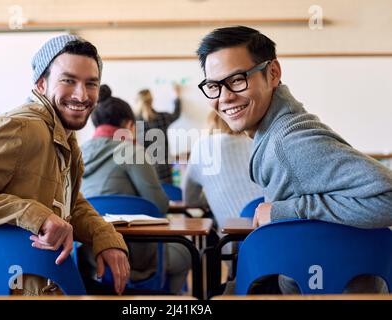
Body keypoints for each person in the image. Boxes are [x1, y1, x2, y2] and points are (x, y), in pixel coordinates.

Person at [196, 26, 392, 293]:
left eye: (238, 79)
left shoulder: (287, 142)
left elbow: (388, 197)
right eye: (213, 86)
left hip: (322, 289)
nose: (225, 96)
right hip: (314, 281)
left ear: (273, 73)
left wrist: (285, 211)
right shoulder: (278, 130)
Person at [0, 35, 130, 296]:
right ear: (41, 84)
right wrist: (32, 214)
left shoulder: (62, 135)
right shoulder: (25, 129)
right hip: (10, 289)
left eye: (91, 84)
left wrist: (103, 235)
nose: (82, 94)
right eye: (68, 80)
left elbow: (70, 203)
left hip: (43, 284)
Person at [80, 84, 191, 295]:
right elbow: (159, 205)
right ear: (129, 125)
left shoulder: (76, 153)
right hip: (133, 257)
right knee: (186, 251)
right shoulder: (132, 151)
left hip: (86, 257)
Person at [183, 111, 263, 231]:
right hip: (274, 229)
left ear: (210, 126)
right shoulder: (257, 142)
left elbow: (190, 199)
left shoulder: (201, 147)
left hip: (233, 240)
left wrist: (212, 198)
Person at [135, 85, 182, 184]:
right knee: (168, 194)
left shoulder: (134, 123)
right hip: (164, 166)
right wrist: (176, 96)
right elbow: (176, 114)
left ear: (138, 101)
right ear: (152, 100)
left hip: (146, 169)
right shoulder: (163, 117)